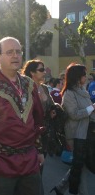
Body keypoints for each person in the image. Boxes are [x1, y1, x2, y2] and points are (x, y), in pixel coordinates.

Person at [0, 37, 45, 195]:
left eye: (18, 52)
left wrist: (39, 150)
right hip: (0, 164)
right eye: (10, 52)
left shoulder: (29, 84)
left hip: (30, 162)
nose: (15, 56)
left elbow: (37, 121)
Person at [51, 63, 95, 195]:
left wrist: (92, 109)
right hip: (76, 134)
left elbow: (89, 113)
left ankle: (60, 187)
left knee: (80, 164)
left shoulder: (83, 91)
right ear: (77, 77)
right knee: (79, 166)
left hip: (86, 132)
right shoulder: (69, 94)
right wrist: (92, 108)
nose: (86, 77)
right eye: (84, 74)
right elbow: (75, 114)